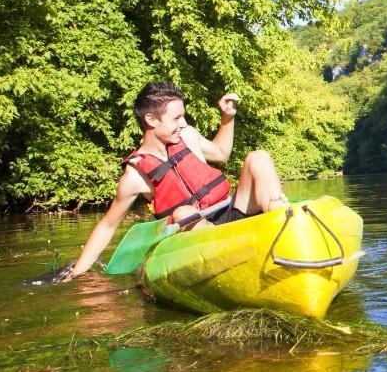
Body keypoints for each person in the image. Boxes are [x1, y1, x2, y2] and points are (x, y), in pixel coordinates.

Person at [56, 82, 288, 281]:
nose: (183, 122)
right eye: (176, 117)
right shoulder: (135, 176)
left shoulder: (187, 135)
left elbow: (221, 153)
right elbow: (107, 226)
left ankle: (285, 229)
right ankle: (239, 259)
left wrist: (227, 118)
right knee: (184, 211)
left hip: (230, 212)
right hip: (196, 240)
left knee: (259, 157)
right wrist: (78, 273)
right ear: (151, 120)